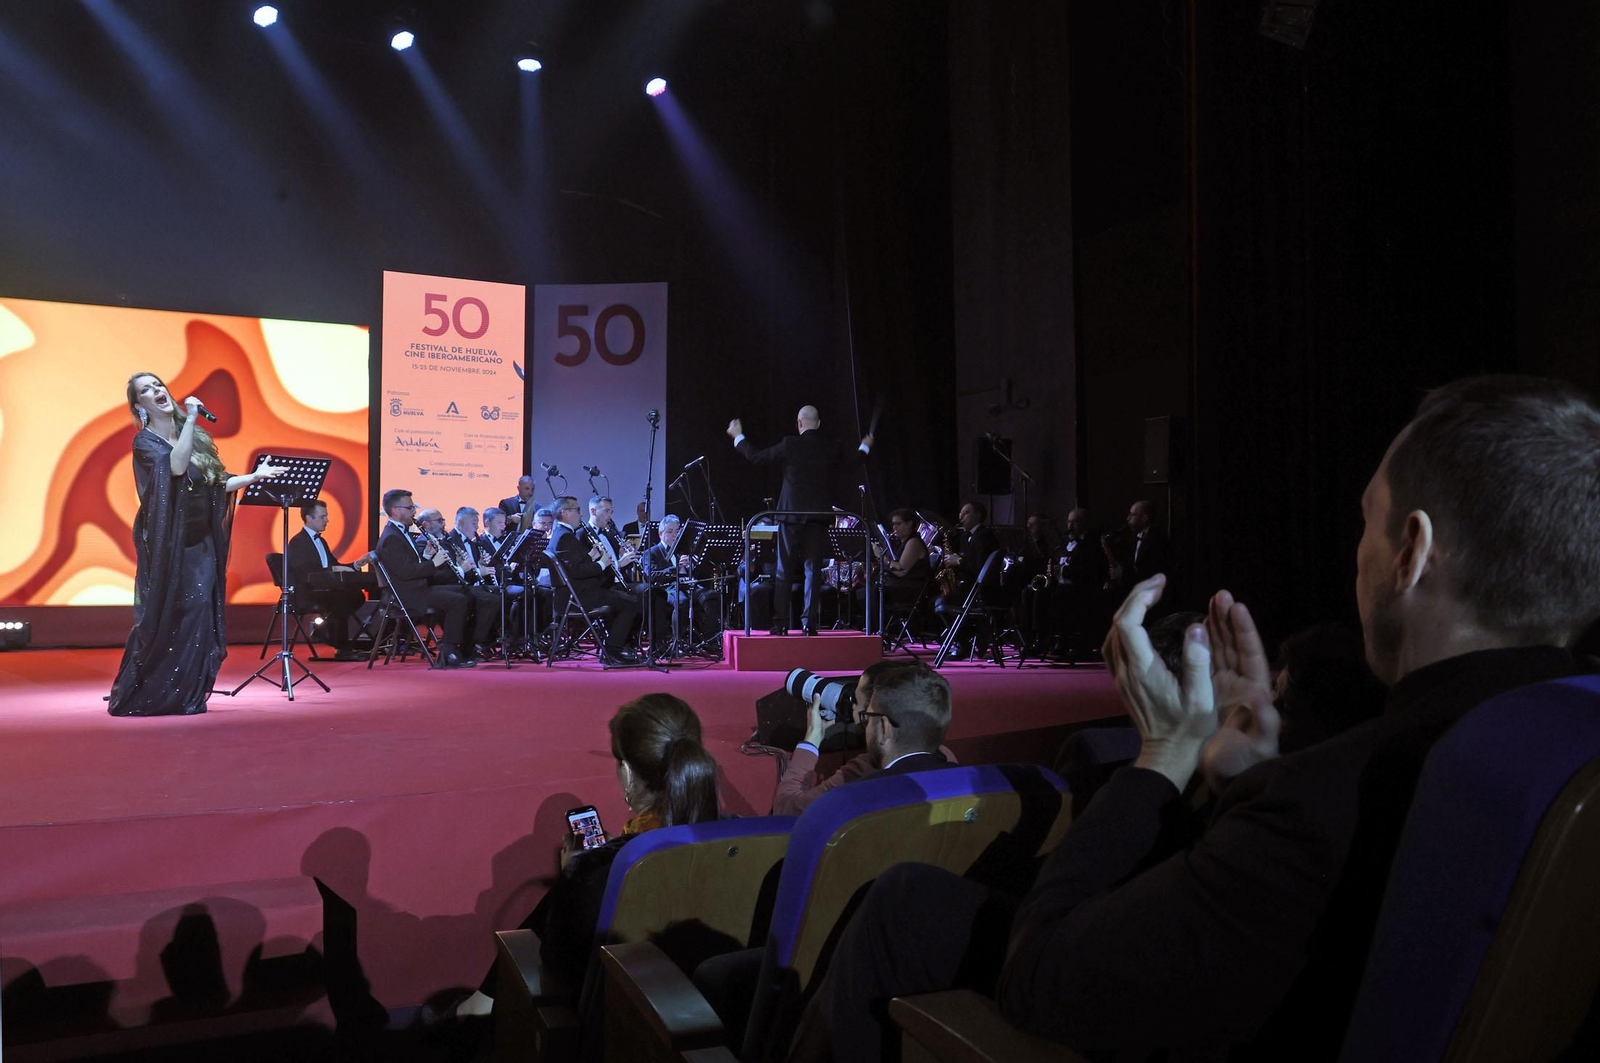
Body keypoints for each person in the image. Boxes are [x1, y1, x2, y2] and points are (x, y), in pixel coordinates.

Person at [787, 374, 1599, 1063]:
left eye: (1365, 521)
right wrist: (1237, 781)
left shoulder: (1335, 796)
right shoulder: (1560, 737)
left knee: (901, 904)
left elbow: (1042, 977)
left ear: (1411, 552)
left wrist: (1164, 756)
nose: (1358, 551)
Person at [454, 692, 720, 1018]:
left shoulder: (604, 872)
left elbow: (559, 966)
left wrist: (573, 877)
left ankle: (473, 1012)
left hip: (615, 1014)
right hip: (705, 1001)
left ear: (627, 771)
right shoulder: (733, 839)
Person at [108, 374, 286, 716]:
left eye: (158, 385)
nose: (156, 391)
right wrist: (189, 418)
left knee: (200, 608)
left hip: (200, 539)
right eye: (146, 390)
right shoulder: (144, 442)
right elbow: (175, 466)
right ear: (138, 405)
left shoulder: (197, 437)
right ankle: (151, 689)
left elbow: (216, 482)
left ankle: (187, 690)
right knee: (166, 613)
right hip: (166, 543)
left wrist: (255, 476)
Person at [729, 406, 874, 635]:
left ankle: (779, 623)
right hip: (819, 517)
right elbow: (853, 465)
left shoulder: (789, 444)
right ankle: (809, 623)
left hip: (790, 516)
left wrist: (738, 435)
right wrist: (865, 445)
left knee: (783, 570)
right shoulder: (830, 446)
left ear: (799, 423)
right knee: (812, 572)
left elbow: (757, 458)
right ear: (818, 423)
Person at [772, 660, 955, 817]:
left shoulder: (864, 774)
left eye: (865, 713)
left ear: (883, 727)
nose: (855, 713)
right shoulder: (948, 759)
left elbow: (786, 809)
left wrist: (811, 741)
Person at [373, 490, 475, 669]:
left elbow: (408, 565)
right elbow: (406, 572)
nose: (414, 511)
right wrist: (434, 563)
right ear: (396, 511)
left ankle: (464, 646)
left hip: (416, 587)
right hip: (408, 595)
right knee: (458, 601)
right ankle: (448, 650)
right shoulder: (391, 537)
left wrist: (427, 556)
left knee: (467, 592)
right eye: (410, 507)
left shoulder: (399, 533)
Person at [546, 495, 641, 664]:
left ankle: (616, 646)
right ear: (565, 513)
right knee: (631, 602)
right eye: (576, 510)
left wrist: (591, 557)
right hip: (578, 596)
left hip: (576, 593)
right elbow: (576, 571)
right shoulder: (564, 536)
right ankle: (612, 651)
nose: (581, 514)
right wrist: (603, 564)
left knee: (625, 598)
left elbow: (573, 565)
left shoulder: (562, 534)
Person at [285, 498, 372, 661]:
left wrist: (356, 564)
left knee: (354, 595)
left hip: (326, 589)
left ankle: (328, 632)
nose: (327, 520)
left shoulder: (321, 540)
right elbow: (304, 572)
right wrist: (332, 570)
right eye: (322, 517)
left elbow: (334, 565)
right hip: (308, 592)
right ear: (309, 518)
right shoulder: (298, 542)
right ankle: (341, 646)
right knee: (344, 598)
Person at [643, 515, 724, 647]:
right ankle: (677, 641)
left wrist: (691, 566)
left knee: (712, 597)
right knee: (681, 601)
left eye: (677, 531)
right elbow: (651, 575)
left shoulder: (683, 550)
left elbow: (698, 572)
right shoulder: (651, 552)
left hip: (689, 585)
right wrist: (676, 568)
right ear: (660, 533)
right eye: (670, 531)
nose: (674, 535)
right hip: (668, 588)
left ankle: (709, 640)